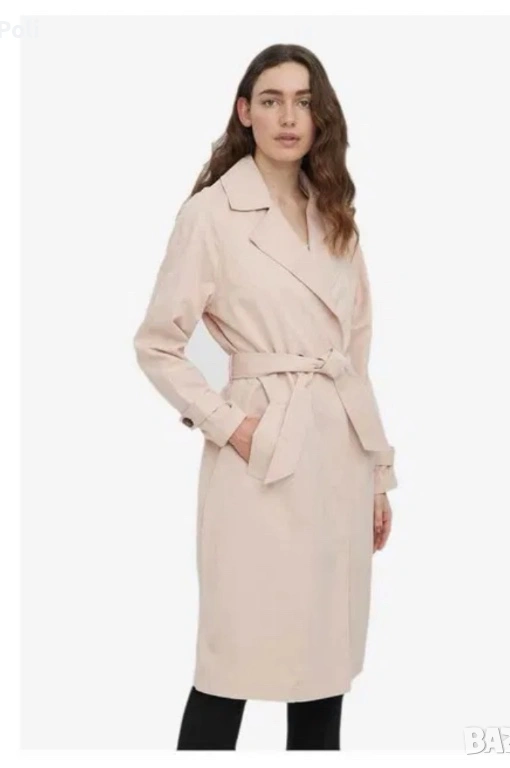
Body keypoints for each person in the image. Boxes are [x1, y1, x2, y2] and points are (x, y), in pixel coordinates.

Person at [133, 43, 398, 750]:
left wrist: (377, 475)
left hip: (338, 460)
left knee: (323, 670)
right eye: (272, 100)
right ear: (245, 112)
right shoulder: (212, 214)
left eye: (304, 102)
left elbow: (356, 354)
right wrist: (232, 426)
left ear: (320, 117)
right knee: (231, 663)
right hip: (262, 463)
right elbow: (158, 343)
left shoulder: (334, 215)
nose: (288, 117)